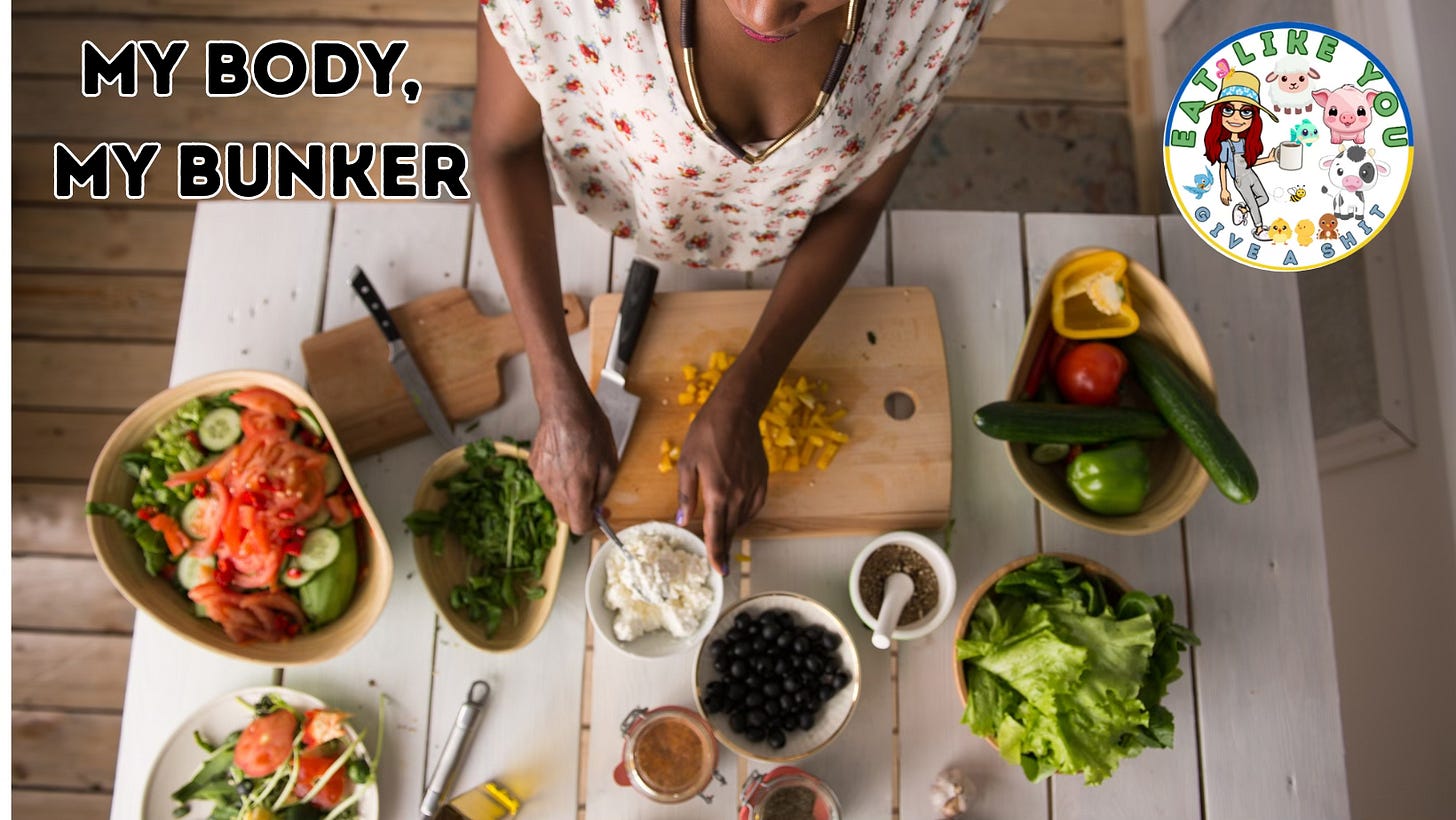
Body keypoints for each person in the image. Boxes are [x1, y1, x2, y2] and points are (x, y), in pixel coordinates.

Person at [473, 0, 1006, 574]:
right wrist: (553, 386)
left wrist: (747, 389)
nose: (766, 13)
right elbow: (502, 150)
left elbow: (860, 199)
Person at [1203, 70, 1280, 242]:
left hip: (1250, 174)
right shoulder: (1225, 145)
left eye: (1246, 112)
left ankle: (1242, 210)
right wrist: (1224, 189)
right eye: (1228, 110)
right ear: (1219, 113)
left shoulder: (1246, 143)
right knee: (1254, 203)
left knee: (1264, 198)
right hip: (1240, 179)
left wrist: (1270, 159)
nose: (1236, 118)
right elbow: (1222, 167)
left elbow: (1249, 163)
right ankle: (1259, 229)